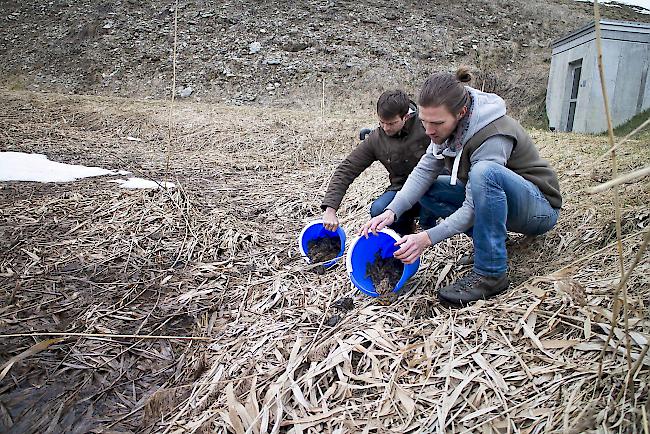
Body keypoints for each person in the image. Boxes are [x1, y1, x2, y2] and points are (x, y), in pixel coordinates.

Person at [361, 67, 562, 305]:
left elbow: (473, 206)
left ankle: (491, 272)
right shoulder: (449, 128)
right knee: (430, 188)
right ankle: (488, 241)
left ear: (461, 112)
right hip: (499, 202)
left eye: (436, 123)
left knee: (484, 173)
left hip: (537, 209)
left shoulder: (492, 134)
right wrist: (391, 211)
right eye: (424, 122)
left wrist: (426, 238)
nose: (428, 130)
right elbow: (424, 171)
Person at [321, 89, 435, 235]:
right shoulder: (377, 139)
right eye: (382, 122)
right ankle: (403, 233)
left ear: (406, 116)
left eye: (392, 123)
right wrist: (330, 209)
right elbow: (347, 168)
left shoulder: (426, 124)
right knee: (378, 209)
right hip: (401, 188)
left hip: (433, 184)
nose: (386, 128)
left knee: (433, 201)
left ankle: (429, 227)